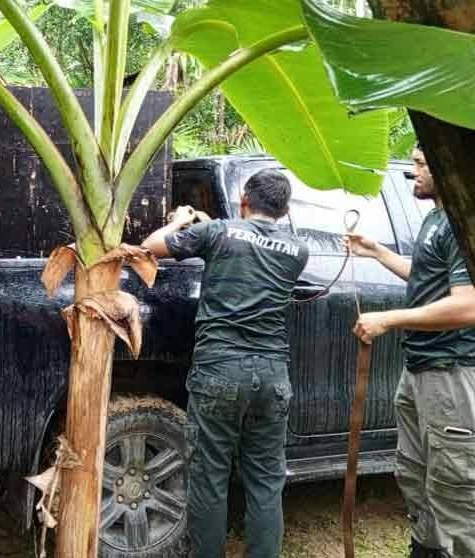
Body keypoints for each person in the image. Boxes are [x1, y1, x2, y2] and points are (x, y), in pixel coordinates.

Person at [142, 169, 309, 558]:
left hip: (220, 371)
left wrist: (182, 221)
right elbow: (252, 246)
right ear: (284, 211)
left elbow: (150, 247)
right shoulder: (298, 251)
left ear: (243, 201)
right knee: (267, 481)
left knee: (209, 478)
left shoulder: (216, 233)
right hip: (272, 376)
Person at [348, 145, 475, 558]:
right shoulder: (436, 219)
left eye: (421, 164)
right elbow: (426, 277)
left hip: (451, 371)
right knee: (416, 474)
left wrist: (389, 319)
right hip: (420, 370)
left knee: (455, 487)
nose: (412, 172)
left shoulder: (462, 222)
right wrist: (377, 252)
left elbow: (468, 306)